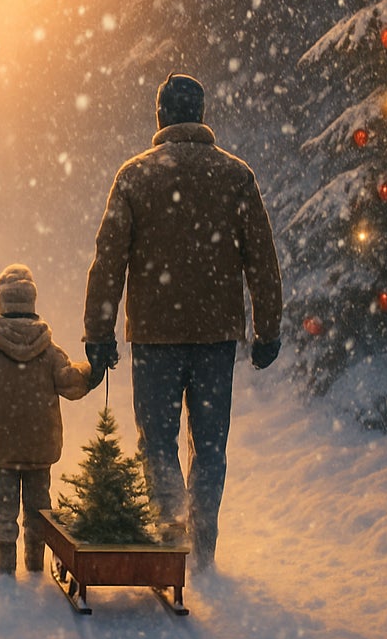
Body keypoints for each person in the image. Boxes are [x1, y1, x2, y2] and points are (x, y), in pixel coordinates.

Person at [83, 74, 284, 567]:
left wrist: (99, 333)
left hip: (155, 336)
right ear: (201, 113)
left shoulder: (134, 176)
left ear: (160, 116)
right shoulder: (236, 176)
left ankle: (170, 529)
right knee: (211, 441)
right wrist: (268, 327)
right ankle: (205, 540)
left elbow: (109, 261)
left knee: (158, 438)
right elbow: (262, 256)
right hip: (216, 336)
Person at [0, 264, 95, 576]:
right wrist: (89, 370)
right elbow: (71, 383)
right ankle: (34, 566)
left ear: (1, 302)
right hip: (40, 448)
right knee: (38, 509)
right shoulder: (49, 351)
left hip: (1, 449)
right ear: (32, 303)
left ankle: (4, 569)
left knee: (3, 509)